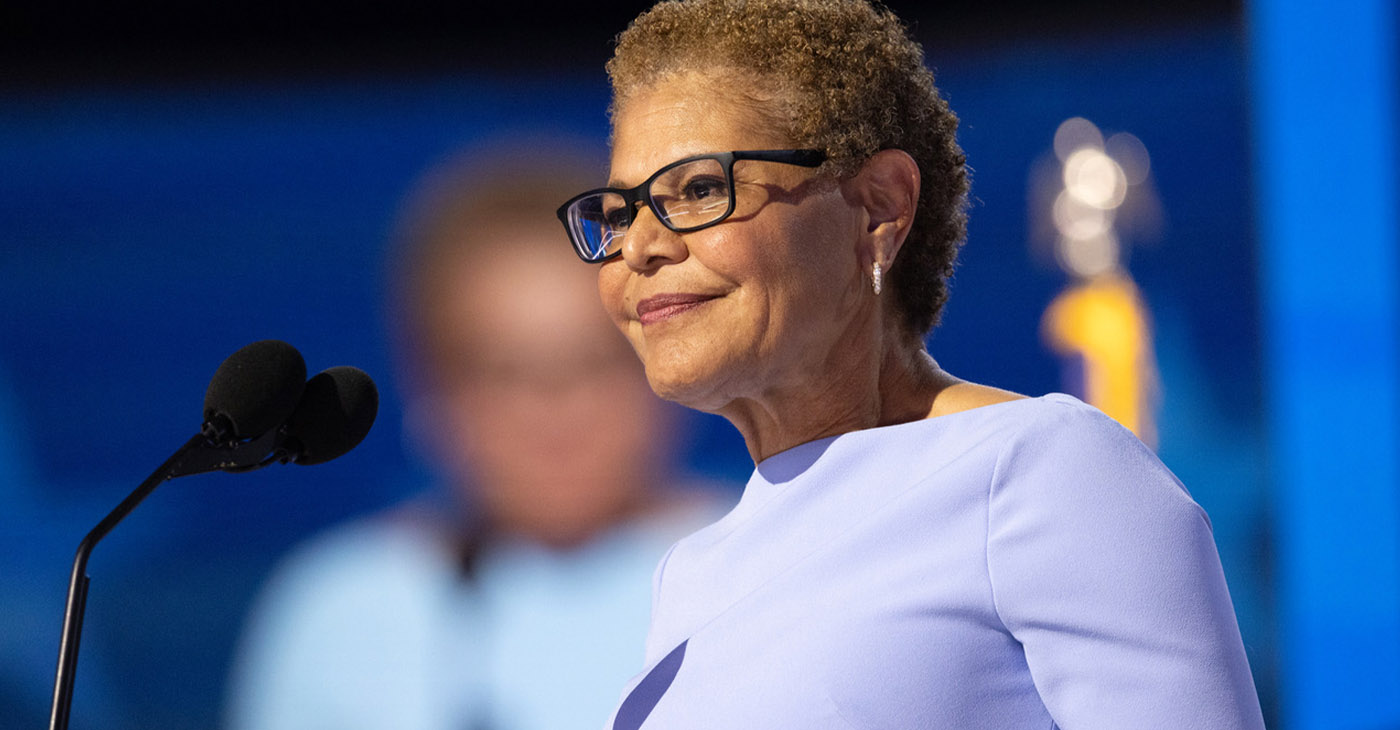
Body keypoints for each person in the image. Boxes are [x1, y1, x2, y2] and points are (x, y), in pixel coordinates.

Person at [553, 1, 1267, 727]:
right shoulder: (694, 569)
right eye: (619, 213)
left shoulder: (1040, 471)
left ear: (878, 208)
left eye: (700, 189)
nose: (639, 246)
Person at [224, 146, 727, 730]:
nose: (557, 412)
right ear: (432, 391)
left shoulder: (769, 569)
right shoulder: (342, 612)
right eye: (508, 372)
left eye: (596, 361)